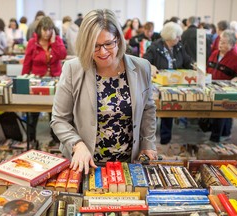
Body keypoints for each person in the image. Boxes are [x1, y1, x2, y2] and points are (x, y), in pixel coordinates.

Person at [50, 9, 157, 174]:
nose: (103, 52)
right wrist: (77, 144)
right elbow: (59, 119)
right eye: (95, 46)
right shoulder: (73, 69)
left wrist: (148, 144)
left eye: (108, 43)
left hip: (128, 164)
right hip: (87, 165)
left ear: (119, 40)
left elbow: (148, 110)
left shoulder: (141, 67)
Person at [143, 21, 193, 145]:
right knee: (153, 113)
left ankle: (165, 140)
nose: (180, 38)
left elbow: (187, 61)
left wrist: (194, 66)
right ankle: (149, 141)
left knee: (169, 111)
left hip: (174, 85)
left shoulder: (179, 47)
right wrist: (152, 67)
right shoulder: (155, 47)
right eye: (177, 36)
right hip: (158, 85)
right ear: (170, 36)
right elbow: (145, 62)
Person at [22, 16, 67, 142]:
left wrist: (54, 42)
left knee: (54, 112)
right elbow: (27, 62)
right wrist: (23, 79)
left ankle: (55, 139)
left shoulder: (57, 40)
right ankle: (31, 139)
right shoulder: (33, 42)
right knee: (33, 112)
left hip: (55, 81)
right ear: (39, 29)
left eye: (50, 30)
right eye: (44, 30)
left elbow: (62, 55)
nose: (47, 33)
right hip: (37, 82)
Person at [207, 30, 237, 143]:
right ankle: (220, 134)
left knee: (222, 114)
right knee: (215, 115)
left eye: (224, 42)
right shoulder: (214, 53)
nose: (221, 44)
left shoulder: (235, 57)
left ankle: (217, 137)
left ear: (232, 45)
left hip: (225, 91)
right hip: (212, 88)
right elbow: (208, 68)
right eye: (220, 41)